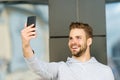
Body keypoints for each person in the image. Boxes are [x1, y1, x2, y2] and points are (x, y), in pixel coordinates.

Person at [21, 22, 115, 80]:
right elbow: (36, 66)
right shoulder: (60, 68)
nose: (73, 42)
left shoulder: (105, 71)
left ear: (89, 41)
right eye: (71, 38)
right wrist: (26, 45)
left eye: (78, 38)